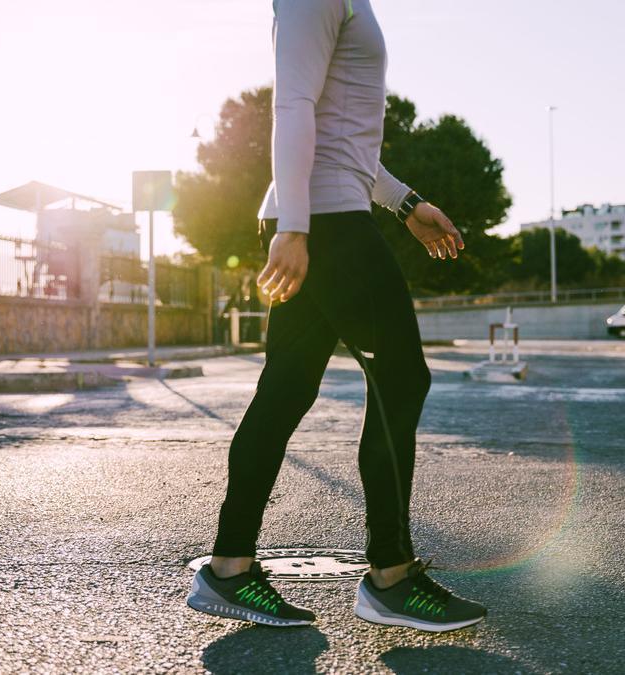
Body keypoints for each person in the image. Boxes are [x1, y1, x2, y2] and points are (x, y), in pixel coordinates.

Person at [186, 0, 486, 632]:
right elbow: (292, 104)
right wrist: (295, 229)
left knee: (286, 391)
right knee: (402, 379)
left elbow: (342, 131)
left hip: (327, 211)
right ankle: (391, 576)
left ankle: (229, 569)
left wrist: (405, 203)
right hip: (326, 221)